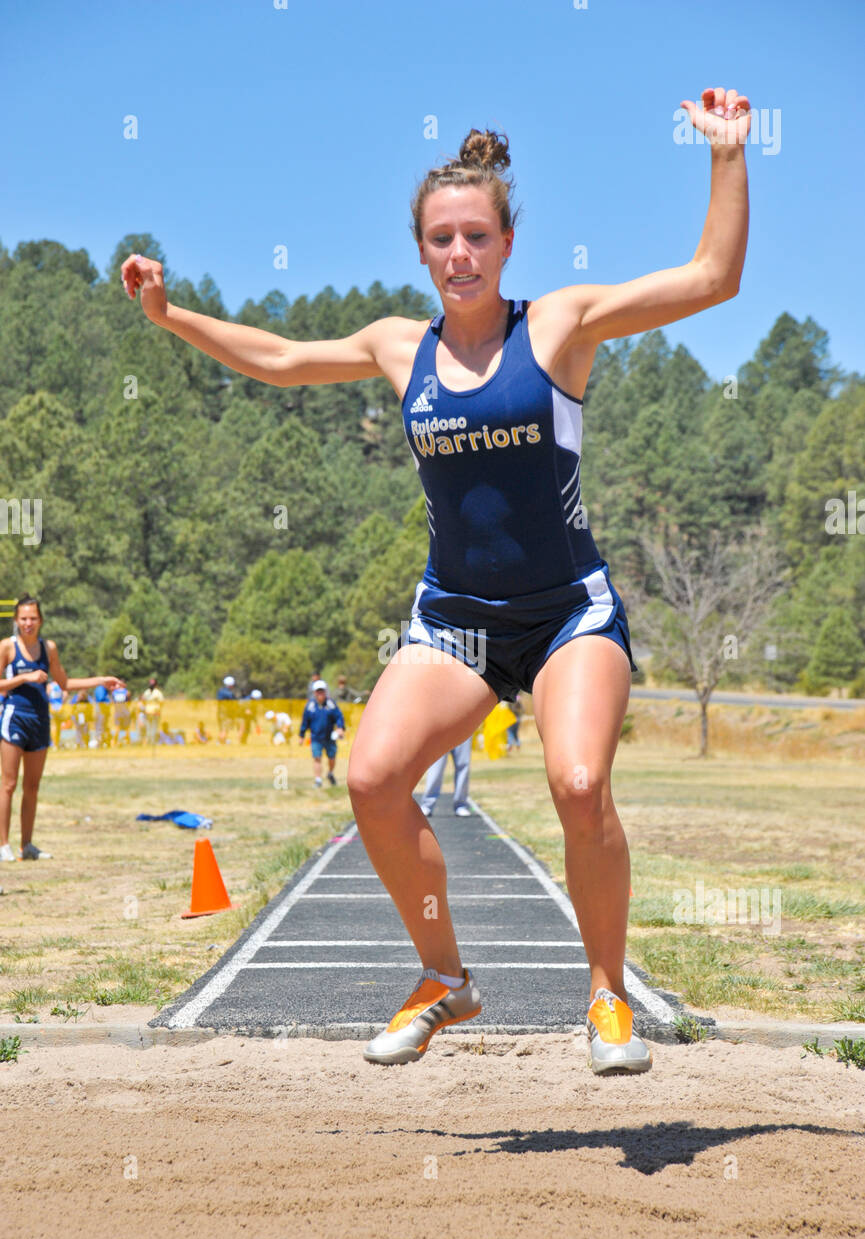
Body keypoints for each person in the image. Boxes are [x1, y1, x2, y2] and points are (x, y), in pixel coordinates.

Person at [121, 90, 749, 1074]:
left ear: (505, 243)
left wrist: (724, 153)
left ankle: (605, 992)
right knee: (371, 778)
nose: (459, 253)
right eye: (440, 239)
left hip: (564, 614)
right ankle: (445, 977)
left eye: (476, 236)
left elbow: (712, 277)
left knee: (579, 784)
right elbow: (282, 359)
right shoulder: (394, 346)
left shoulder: (561, 327)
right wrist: (167, 315)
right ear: (421, 251)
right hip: (453, 619)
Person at [0, 595, 126, 859]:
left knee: (32, 787)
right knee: (9, 784)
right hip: (15, 718)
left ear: (41, 620)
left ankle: (27, 846)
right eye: (23, 618)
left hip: (40, 721)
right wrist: (25, 677)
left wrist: (101, 680)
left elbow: (65, 684)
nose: (28, 623)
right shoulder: (7, 648)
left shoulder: (49, 648)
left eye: (33, 618)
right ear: (16, 620)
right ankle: (3, 845)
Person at [298, 680, 345, 786]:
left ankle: (330, 773)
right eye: (318, 691)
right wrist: (301, 735)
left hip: (330, 737)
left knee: (332, 758)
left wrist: (340, 728)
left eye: (322, 691)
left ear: (325, 691)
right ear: (314, 692)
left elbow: (339, 717)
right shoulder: (310, 706)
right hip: (316, 738)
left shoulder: (331, 704)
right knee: (317, 758)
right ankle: (318, 780)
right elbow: (305, 721)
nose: (320, 693)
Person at [420, 734, 473, 817]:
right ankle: (427, 804)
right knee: (436, 767)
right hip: (443, 729)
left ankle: (461, 805)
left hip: (464, 726)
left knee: (463, 766)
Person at [140, 677, 164, 746]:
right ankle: (149, 742)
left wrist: (158, 710)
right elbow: (143, 701)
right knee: (149, 728)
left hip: (155, 713)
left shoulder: (158, 693)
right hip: (148, 713)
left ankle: (153, 742)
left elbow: (161, 703)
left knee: (154, 728)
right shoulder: (147, 692)